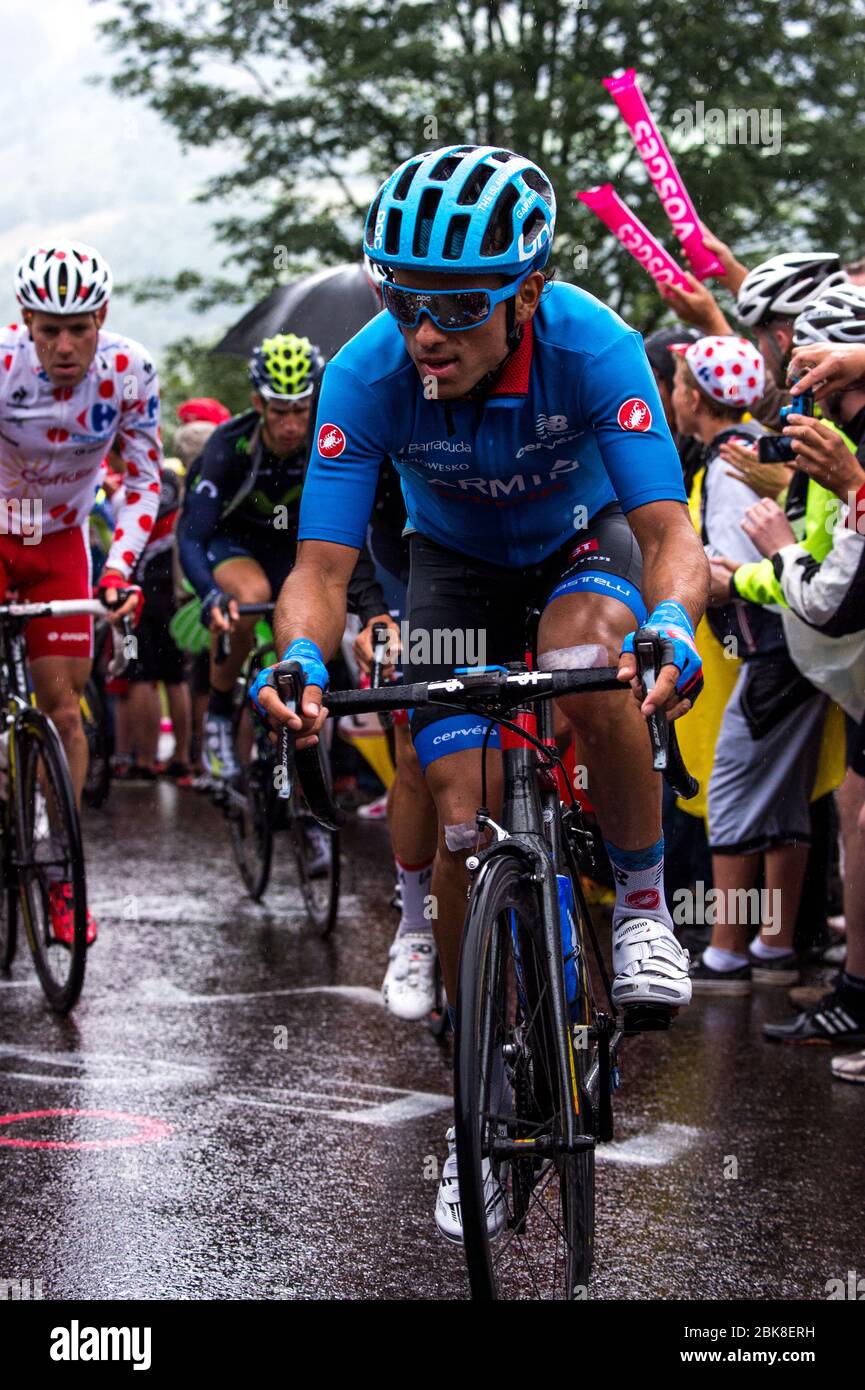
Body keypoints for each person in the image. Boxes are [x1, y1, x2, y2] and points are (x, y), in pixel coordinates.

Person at [250, 143, 710, 1242]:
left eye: (457, 304)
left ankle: (644, 909)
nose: (424, 331)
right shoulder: (366, 373)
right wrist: (303, 662)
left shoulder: (594, 347)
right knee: (450, 779)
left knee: (582, 667)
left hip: (574, 547)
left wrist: (672, 625)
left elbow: (668, 533)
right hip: (448, 563)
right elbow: (315, 574)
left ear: (530, 293)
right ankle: (480, 1097)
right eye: (401, 296)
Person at [0, 241, 162, 943]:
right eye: (48, 329)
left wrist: (119, 570)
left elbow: (146, 479)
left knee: (64, 711)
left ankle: (63, 878)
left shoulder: (130, 372)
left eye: (79, 328)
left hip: (62, 543)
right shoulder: (3, 368)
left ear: (101, 316)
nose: (65, 345)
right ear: (25, 321)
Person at [177, 334, 325, 784]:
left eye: (301, 410)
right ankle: (220, 712)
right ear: (258, 403)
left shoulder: (326, 438)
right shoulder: (228, 444)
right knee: (251, 596)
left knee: (308, 627)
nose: (290, 426)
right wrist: (208, 595)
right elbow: (191, 532)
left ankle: (306, 779)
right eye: (279, 411)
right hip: (234, 544)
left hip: (292, 549)